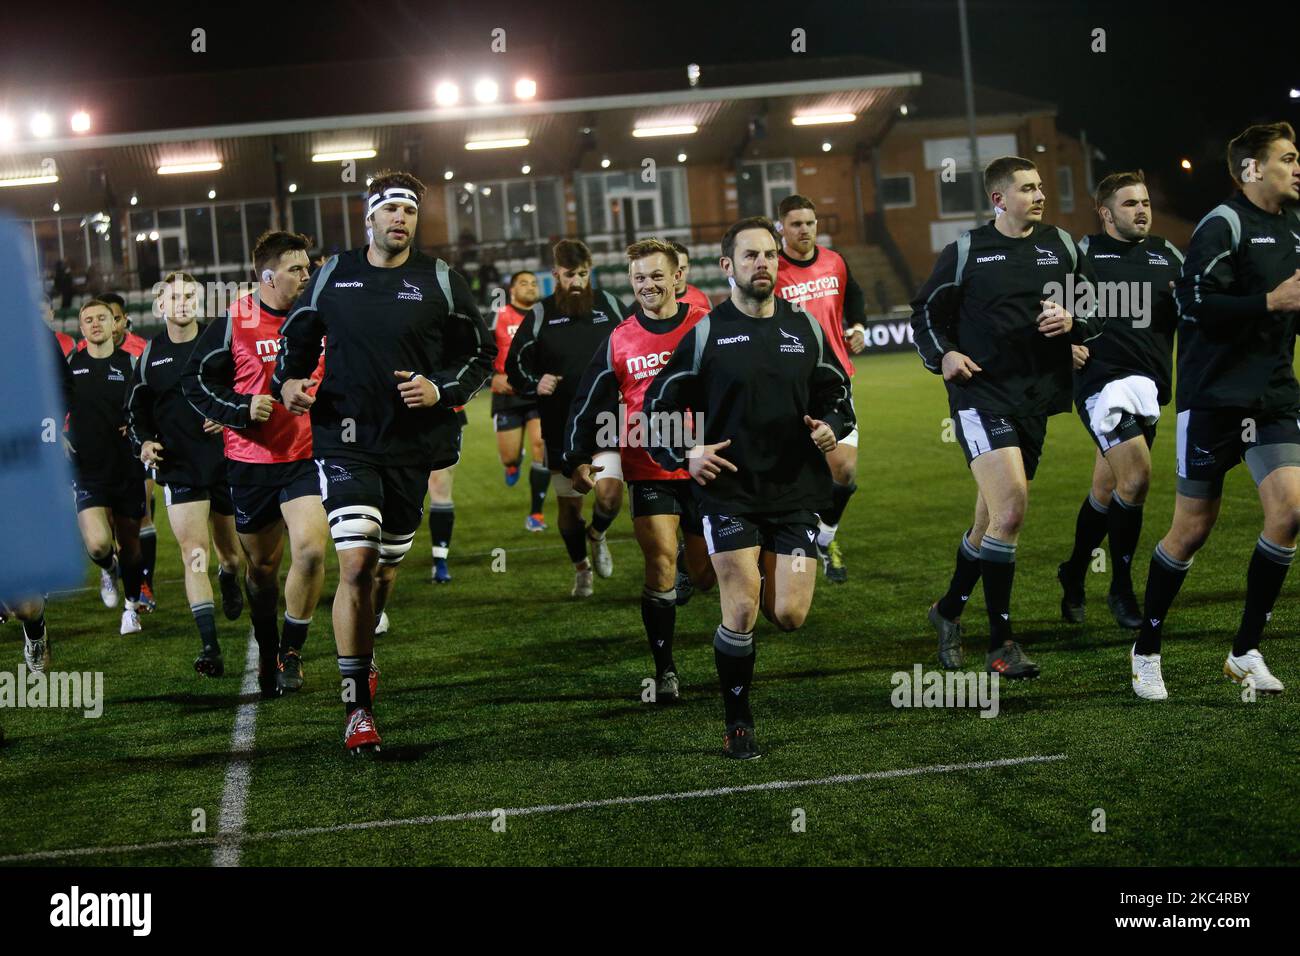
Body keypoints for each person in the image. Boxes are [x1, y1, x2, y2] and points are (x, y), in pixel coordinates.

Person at [273, 170, 494, 754]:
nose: (401, 219)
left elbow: (480, 354)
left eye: (410, 211)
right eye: (390, 208)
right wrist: (291, 381)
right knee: (355, 563)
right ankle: (357, 709)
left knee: (385, 570)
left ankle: (361, 653)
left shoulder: (441, 280)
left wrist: (441, 389)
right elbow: (298, 340)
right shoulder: (334, 274)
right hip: (345, 440)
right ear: (368, 216)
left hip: (413, 447)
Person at [644, 217, 855, 758]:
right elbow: (655, 410)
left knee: (789, 615)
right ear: (727, 267)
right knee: (739, 610)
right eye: (750, 256)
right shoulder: (707, 334)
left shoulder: (804, 328)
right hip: (729, 494)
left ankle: (767, 575)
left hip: (794, 493)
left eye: (769, 255)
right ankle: (737, 721)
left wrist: (833, 423)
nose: (763, 264)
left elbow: (837, 394)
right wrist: (685, 454)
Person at [910, 155, 1101, 677]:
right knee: (1012, 510)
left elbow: (1096, 309)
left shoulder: (1060, 245)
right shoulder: (967, 250)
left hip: (1037, 399)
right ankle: (1002, 644)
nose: (1039, 195)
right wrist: (944, 355)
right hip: (981, 396)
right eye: (1027, 188)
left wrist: (1074, 324)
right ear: (999, 199)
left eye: (1041, 186)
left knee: (990, 522)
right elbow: (926, 313)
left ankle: (947, 612)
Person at [1134, 122, 1300, 700]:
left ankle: (1245, 650)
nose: (1297, 165)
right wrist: (1269, 301)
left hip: (1274, 396)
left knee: (1289, 512)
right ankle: (1147, 648)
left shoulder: (1297, 227)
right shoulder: (1223, 224)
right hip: (1213, 399)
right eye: (1287, 157)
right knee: (1192, 530)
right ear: (1252, 169)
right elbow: (1193, 302)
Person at [564, 238, 716, 702]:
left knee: (706, 574)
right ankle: (665, 668)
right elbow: (588, 401)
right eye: (638, 278)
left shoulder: (706, 327)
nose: (647, 285)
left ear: (677, 278)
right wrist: (577, 456)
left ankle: (691, 579)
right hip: (648, 465)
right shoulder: (620, 338)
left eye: (655, 276)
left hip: (706, 466)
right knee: (661, 561)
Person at [184, 230, 328, 696]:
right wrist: (240, 410)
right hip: (250, 463)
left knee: (309, 548)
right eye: (296, 270)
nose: (306, 276)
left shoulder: (321, 318)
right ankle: (267, 649)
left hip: (307, 456)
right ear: (267, 276)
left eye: (307, 268)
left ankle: (292, 650)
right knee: (262, 569)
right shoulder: (235, 319)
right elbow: (197, 382)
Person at [1056, 171, 1182, 629]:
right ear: (1106, 213)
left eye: (1145, 201)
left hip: (1148, 388)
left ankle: (1072, 572)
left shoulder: (1167, 255)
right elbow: (1044, 311)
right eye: (1130, 204)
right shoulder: (1081, 255)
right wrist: (1061, 344)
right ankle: (1122, 589)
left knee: (1106, 491)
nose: (1142, 209)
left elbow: (1194, 309)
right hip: (1100, 385)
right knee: (1137, 477)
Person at [128, 272, 244, 677]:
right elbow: (136, 413)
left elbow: (245, 392)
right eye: (174, 296)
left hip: (226, 463)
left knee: (232, 556)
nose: (182, 302)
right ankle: (209, 646)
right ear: (160, 306)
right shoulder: (149, 356)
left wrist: (228, 418)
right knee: (194, 554)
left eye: (189, 295)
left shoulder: (219, 346)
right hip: (180, 469)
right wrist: (143, 443)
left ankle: (230, 576)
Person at [506, 240, 626, 597]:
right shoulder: (541, 314)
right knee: (570, 509)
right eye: (570, 274)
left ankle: (598, 535)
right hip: (560, 425)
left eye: (584, 274)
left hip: (605, 419)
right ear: (555, 274)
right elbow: (515, 366)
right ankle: (581, 569)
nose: (578, 281)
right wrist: (534, 382)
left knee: (609, 498)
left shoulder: (609, 305)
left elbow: (633, 345)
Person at [776, 195, 868, 583]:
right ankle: (784, 550)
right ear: (781, 227)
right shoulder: (770, 271)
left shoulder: (834, 261)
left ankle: (826, 536)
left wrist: (859, 327)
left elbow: (856, 297)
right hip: (786, 388)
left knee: (843, 470)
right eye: (796, 224)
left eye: (810, 223)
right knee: (790, 477)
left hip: (833, 381)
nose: (804, 230)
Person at [66, 299, 146, 634]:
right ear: (81, 328)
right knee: (98, 543)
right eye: (88, 319)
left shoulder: (132, 363)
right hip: (87, 470)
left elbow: (148, 406)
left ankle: (131, 607)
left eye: (102, 318)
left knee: (130, 545)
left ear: (115, 325)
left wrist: (138, 426)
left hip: (126, 469)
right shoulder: (70, 365)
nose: (96, 323)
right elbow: (49, 403)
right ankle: (106, 566)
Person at [98, 292, 155, 610]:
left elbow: (151, 396)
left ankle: (145, 585)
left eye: (116, 318)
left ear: (123, 320)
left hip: (136, 449)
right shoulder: (83, 355)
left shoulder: (141, 351)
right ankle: (113, 571)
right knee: (107, 528)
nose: (113, 325)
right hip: (103, 454)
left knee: (142, 516)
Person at [489, 270, 549, 531]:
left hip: (536, 393)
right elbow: (480, 347)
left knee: (541, 445)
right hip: (507, 395)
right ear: (512, 290)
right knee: (509, 457)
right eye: (523, 283)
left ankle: (536, 513)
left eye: (534, 283)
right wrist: (492, 376)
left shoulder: (546, 314)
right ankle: (513, 464)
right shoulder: (498, 315)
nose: (530, 287)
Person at [669, 240, 712, 312]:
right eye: (674, 268)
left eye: (682, 268)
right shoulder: (656, 301)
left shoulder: (701, 300)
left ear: (688, 268)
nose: (678, 274)